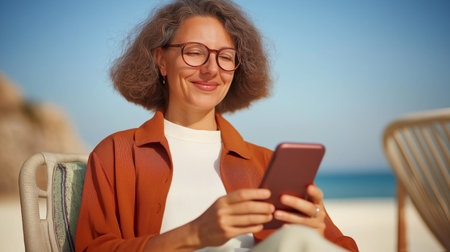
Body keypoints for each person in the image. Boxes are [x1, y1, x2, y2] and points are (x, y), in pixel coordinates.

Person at [75, 0, 358, 251]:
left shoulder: (264, 163)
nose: (212, 69)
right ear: (161, 60)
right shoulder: (117, 153)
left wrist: (318, 232)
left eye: (225, 57)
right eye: (195, 52)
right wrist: (196, 234)